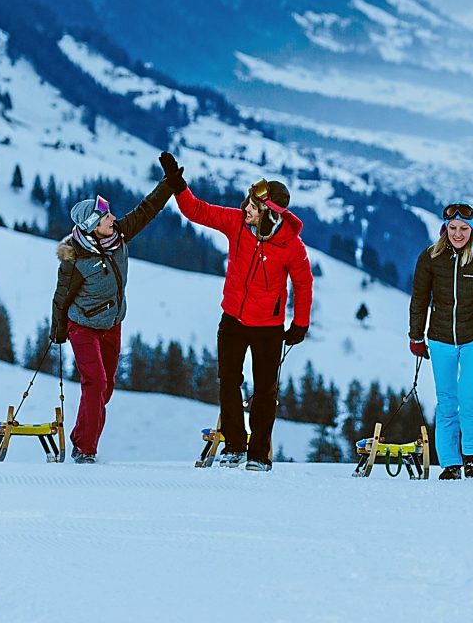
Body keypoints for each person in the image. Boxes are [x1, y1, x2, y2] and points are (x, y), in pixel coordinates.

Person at [162, 151, 312, 472]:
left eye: (253, 207)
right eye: (247, 202)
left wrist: (299, 324)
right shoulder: (236, 223)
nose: (245, 208)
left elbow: (303, 284)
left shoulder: (290, 245)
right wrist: (178, 185)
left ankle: (258, 454)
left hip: (268, 328)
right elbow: (197, 211)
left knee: (264, 392)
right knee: (228, 381)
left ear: (269, 213)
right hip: (232, 319)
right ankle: (234, 445)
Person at [50, 157, 182, 463]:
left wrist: (168, 185)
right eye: (105, 216)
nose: (112, 217)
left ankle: (82, 438)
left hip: (112, 324)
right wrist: (58, 331)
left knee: (106, 388)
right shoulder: (75, 258)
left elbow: (146, 211)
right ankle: (85, 449)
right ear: (92, 227)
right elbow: (61, 296)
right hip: (82, 326)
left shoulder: (118, 236)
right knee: (94, 383)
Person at [407, 202, 473, 480]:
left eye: (464, 228)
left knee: (469, 392)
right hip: (440, 339)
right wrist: (415, 335)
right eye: (453, 228)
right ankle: (450, 463)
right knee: (447, 400)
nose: (458, 234)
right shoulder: (430, 257)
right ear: (445, 228)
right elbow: (419, 300)